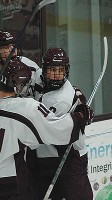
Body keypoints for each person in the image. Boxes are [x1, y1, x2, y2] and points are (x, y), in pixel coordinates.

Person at [0, 58, 90, 199]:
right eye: (25, 85)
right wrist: (81, 116)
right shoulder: (26, 107)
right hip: (5, 182)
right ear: (18, 85)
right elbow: (60, 131)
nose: (26, 89)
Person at [27, 48, 94, 199]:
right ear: (43, 71)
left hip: (70, 154)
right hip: (45, 155)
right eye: (52, 69)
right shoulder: (37, 76)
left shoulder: (62, 98)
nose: (57, 74)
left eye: (61, 70)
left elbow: (40, 130)